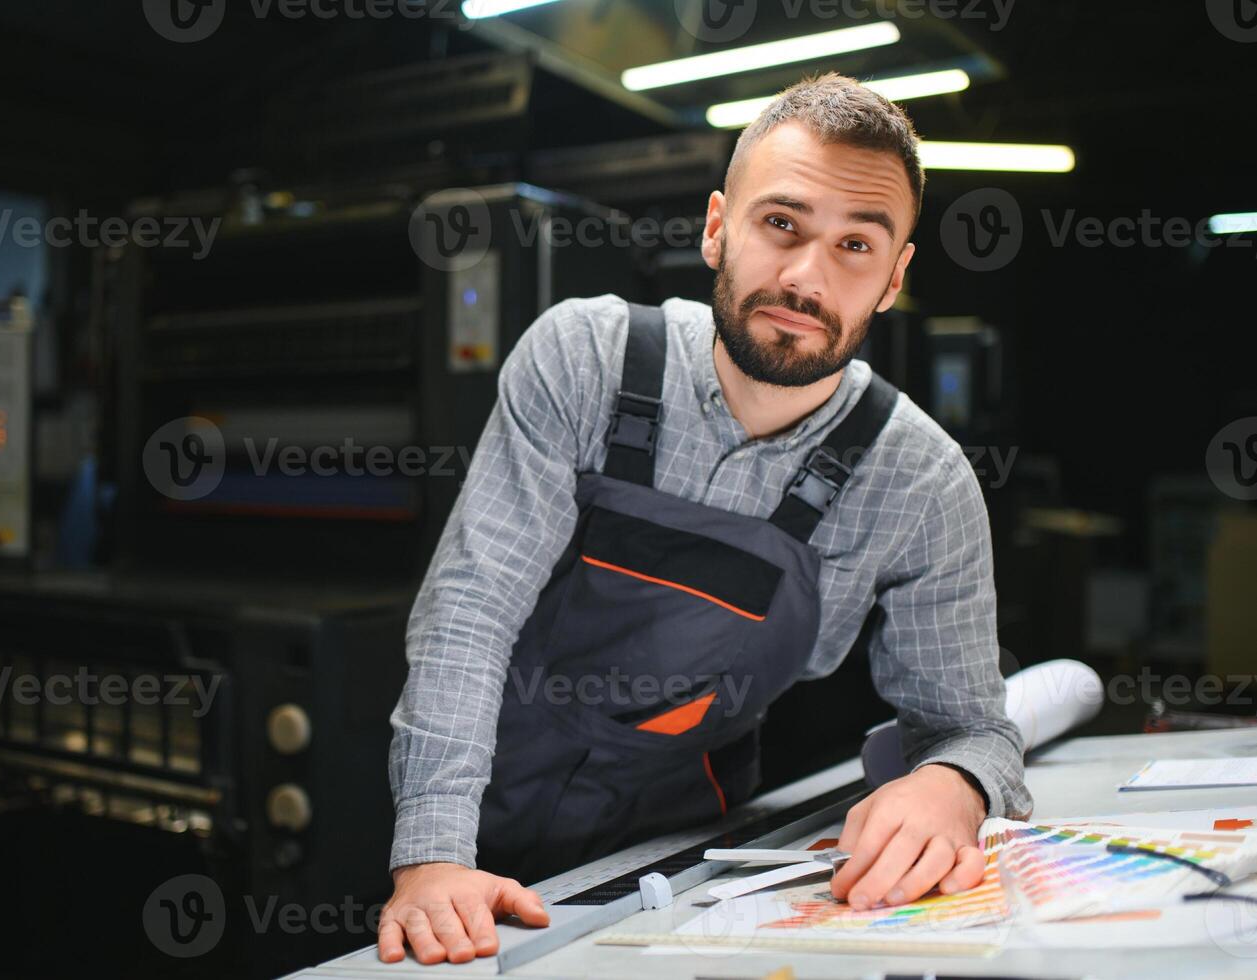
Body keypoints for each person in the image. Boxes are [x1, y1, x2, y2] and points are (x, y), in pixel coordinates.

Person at [379, 71, 1032, 966]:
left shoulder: (920, 483)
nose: (806, 276)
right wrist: (431, 855)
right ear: (718, 225)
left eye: (854, 245)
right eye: (781, 225)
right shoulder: (585, 359)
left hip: (681, 870)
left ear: (893, 279)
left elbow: (971, 726)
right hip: (467, 821)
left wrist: (954, 785)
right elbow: (470, 611)